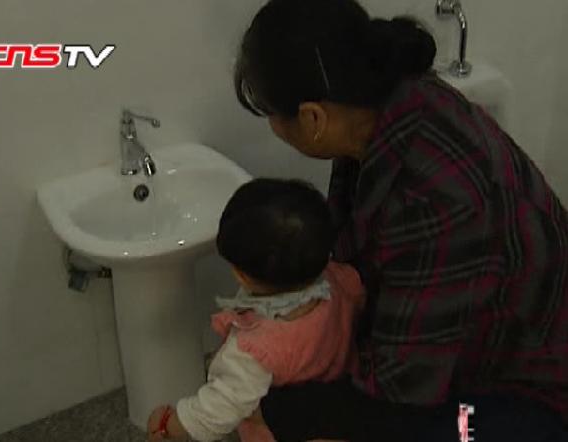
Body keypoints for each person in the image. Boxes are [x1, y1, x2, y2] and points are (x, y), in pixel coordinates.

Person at [233, 0, 568, 440]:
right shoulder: (388, 101)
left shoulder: (432, 199)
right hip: (466, 348)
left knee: (282, 417)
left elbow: (400, 391)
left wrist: (281, 410)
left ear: (313, 118)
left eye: (271, 115)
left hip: (521, 395)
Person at [147, 178, 365, 442]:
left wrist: (170, 424)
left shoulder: (252, 350)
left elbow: (219, 409)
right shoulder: (339, 280)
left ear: (241, 275)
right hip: (330, 406)